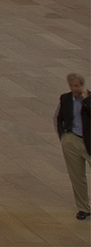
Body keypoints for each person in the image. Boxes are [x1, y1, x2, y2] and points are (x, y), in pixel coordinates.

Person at [56, 72, 90, 221]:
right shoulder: (65, 98)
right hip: (72, 141)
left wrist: (86, 100)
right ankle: (83, 208)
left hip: (89, 142)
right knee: (77, 177)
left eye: (76, 85)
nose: (74, 88)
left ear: (82, 85)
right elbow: (59, 118)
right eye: (71, 85)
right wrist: (64, 137)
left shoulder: (90, 98)